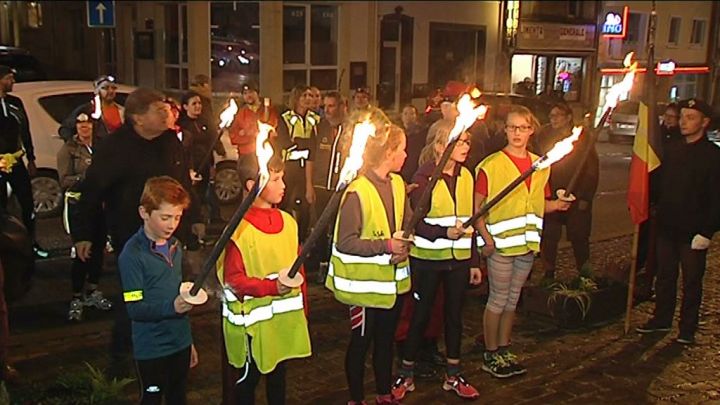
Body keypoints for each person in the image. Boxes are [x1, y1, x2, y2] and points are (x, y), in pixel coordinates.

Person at [73, 88, 201, 368]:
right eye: (159, 109)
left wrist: (194, 220)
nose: (168, 112)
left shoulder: (171, 141)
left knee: (173, 292)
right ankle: (122, 356)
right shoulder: (115, 147)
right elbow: (93, 192)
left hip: (171, 236)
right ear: (138, 119)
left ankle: (173, 347)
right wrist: (83, 234)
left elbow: (183, 184)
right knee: (134, 296)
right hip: (132, 238)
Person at [474, 105, 571, 378]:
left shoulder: (540, 166)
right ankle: (490, 352)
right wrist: (486, 238)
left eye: (523, 127)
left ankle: (504, 347)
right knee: (498, 299)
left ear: (531, 131)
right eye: (512, 127)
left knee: (512, 300)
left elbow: (539, 204)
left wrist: (558, 205)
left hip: (527, 245)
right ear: (504, 130)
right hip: (501, 245)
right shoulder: (492, 165)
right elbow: (476, 208)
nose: (517, 133)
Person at [325, 109, 412, 405]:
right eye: (402, 149)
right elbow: (346, 242)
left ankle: (383, 393)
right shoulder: (357, 192)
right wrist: (387, 246)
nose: (406, 155)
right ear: (388, 152)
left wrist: (406, 242)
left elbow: (406, 222)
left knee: (386, 343)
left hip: (390, 286)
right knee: (361, 344)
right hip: (363, 289)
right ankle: (356, 397)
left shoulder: (398, 184)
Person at [392, 120, 482, 400]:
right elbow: (415, 224)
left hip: (458, 260)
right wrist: (445, 232)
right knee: (420, 315)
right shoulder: (424, 177)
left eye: (467, 141)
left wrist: (474, 261)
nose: (466, 147)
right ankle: (406, 373)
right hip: (428, 260)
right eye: (460, 142)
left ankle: (453, 373)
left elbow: (472, 221)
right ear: (441, 146)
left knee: (454, 316)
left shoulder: (467, 176)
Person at [218, 155, 311, 405]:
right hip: (251, 328)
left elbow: (297, 269)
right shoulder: (239, 229)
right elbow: (233, 280)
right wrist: (271, 287)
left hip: (280, 324)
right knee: (247, 384)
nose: (284, 186)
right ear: (252, 185)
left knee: (279, 379)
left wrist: (303, 308)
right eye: (276, 179)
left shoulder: (289, 223)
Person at [636, 98, 720, 345]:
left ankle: (687, 328)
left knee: (692, 281)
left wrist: (707, 231)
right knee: (664, 276)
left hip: (693, 231)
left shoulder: (713, 156)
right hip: (667, 226)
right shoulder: (671, 149)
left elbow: (717, 197)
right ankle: (661, 318)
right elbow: (660, 184)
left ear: (704, 122)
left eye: (690, 117)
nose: (683, 122)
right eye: (682, 116)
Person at [118, 176, 199, 405]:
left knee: (178, 397)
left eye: (177, 217)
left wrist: (189, 341)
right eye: (165, 217)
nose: (172, 225)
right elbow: (135, 308)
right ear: (144, 212)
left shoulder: (175, 246)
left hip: (180, 342)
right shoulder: (132, 255)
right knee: (152, 398)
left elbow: (178, 293)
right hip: (151, 349)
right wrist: (171, 307)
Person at [57, 109, 112, 321]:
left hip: (99, 204)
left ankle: (92, 290)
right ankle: (76, 296)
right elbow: (64, 180)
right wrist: (86, 177)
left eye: (88, 123)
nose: (84, 127)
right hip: (78, 206)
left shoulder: (100, 147)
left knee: (98, 250)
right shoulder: (68, 150)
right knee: (82, 252)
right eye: (80, 124)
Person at [533, 102, 598, 279]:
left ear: (568, 117)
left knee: (579, 237)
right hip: (552, 193)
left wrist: (585, 197)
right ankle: (549, 273)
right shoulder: (544, 135)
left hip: (576, 195)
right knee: (549, 237)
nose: (553, 119)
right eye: (551, 116)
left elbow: (591, 169)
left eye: (557, 115)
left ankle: (584, 274)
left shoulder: (582, 138)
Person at [0, 65, 47, 259]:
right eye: (9, 78)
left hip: (17, 160)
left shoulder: (15, 103)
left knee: (27, 204)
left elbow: (25, 132)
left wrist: (31, 158)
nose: (13, 82)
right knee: (2, 205)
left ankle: (31, 243)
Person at [310, 91, 347, 281]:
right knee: (320, 226)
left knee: (339, 227)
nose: (328, 111)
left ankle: (335, 264)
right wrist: (309, 185)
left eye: (331, 106)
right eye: (325, 107)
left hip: (341, 189)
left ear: (341, 107)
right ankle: (321, 262)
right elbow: (311, 158)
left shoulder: (351, 130)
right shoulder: (319, 127)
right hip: (320, 187)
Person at [275, 85, 319, 242]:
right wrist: (303, 143)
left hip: (306, 167)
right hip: (289, 167)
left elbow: (316, 143)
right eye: (304, 96)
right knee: (283, 202)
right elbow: (284, 142)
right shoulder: (286, 118)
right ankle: (280, 235)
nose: (308, 99)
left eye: (310, 95)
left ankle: (301, 239)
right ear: (296, 98)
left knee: (305, 206)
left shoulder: (314, 118)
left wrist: (301, 143)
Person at [178, 91, 225, 227]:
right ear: (185, 107)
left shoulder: (204, 122)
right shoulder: (182, 125)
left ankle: (211, 221)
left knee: (207, 192)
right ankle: (193, 224)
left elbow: (212, 139)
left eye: (199, 103)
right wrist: (189, 168)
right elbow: (184, 150)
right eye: (194, 103)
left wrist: (214, 161)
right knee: (193, 197)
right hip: (191, 167)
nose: (198, 106)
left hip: (205, 164)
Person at [228, 81, 279, 174]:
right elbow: (233, 136)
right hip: (247, 156)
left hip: (266, 154)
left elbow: (271, 129)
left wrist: (246, 132)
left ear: (257, 93)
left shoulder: (268, 110)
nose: (248, 95)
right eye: (245, 93)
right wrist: (252, 135)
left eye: (251, 92)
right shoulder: (241, 114)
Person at [59, 75, 124, 141]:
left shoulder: (122, 111)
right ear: (97, 91)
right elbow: (65, 130)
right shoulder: (87, 109)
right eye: (106, 88)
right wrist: (78, 143)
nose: (110, 91)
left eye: (113, 88)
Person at [399, 104, 427, 184]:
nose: (409, 116)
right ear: (402, 116)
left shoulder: (422, 133)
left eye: (412, 114)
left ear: (416, 116)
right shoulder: (398, 133)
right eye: (406, 113)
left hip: (416, 168)